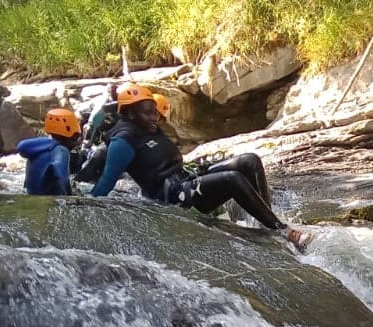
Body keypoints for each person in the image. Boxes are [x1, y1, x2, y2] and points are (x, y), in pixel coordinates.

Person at [90, 84, 311, 249]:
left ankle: (265, 221)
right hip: (173, 198)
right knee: (232, 179)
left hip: (185, 180)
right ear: (130, 113)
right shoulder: (122, 141)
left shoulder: (149, 127)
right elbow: (107, 181)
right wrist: (85, 201)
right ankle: (283, 231)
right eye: (147, 112)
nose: (155, 117)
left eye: (154, 111)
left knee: (249, 160)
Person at [16, 108, 82, 196]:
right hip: (49, 200)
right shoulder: (61, 150)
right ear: (70, 134)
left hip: (32, 197)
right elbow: (60, 175)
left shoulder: (39, 147)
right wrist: (70, 196)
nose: (76, 142)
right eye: (75, 136)